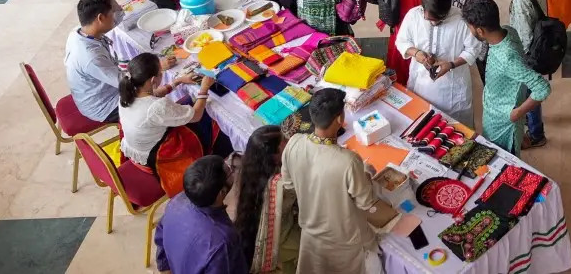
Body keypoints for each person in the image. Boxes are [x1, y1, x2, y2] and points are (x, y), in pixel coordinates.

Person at [281, 87, 397, 274]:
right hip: (346, 244)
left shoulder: (294, 142)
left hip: (311, 237)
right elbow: (365, 202)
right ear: (339, 119)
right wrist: (365, 173)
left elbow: (288, 184)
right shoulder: (349, 161)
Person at [462, 0, 550, 155]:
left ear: (480, 31)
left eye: (470, 28)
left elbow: (542, 88)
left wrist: (517, 114)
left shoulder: (507, 58)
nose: (470, 32)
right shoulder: (508, 30)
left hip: (503, 121)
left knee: (503, 157)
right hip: (493, 109)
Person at [117, 52, 213, 190]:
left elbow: (154, 94)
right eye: (160, 73)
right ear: (152, 80)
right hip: (155, 158)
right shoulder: (156, 107)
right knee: (208, 117)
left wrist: (178, 81)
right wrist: (204, 89)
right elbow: (196, 115)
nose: (162, 74)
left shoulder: (127, 93)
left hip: (137, 150)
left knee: (186, 104)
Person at [395, 0, 482, 127]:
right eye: (429, 19)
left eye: (439, 19)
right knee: (422, 128)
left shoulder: (462, 19)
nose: (434, 23)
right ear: (422, 9)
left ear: (448, 11)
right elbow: (402, 41)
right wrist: (416, 53)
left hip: (453, 93)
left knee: (456, 130)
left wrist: (451, 64)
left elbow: (473, 49)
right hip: (421, 86)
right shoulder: (414, 15)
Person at [496, 0, 551, 147]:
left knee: (529, 90)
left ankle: (536, 134)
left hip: (530, 51)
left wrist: (519, 58)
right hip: (542, 37)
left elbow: (524, 35)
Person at [152, 155, 247, 274]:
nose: (232, 171)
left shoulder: (177, 201)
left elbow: (160, 237)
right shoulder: (223, 242)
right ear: (221, 192)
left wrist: (166, 270)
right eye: (230, 170)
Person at [232, 126, 300, 274]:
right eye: (284, 140)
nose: (289, 141)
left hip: (258, 235)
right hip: (283, 241)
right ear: (274, 155)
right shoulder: (281, 183)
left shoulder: (251, 172)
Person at [65, 0, 126, 123]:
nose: (119, 13)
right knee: (155, 101)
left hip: (102, 89)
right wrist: (158, 67)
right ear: (101, 18)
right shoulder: (90, 57)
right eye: (114, 12)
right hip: (106, 106)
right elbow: (125, 83)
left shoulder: (79, 31)